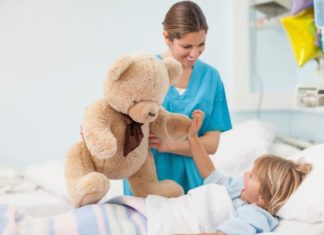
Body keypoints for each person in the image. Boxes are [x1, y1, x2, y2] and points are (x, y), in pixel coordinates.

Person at [123, 0, 232, 195]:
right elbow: (121, 123)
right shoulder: (146, 71)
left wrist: (169, 145)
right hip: (148, 179)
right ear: (167, 37)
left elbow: (211, 145)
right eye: (187, 46)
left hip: (193, 181)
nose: (194, 53)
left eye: (201, 45)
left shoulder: (211, 78)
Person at [174, 110, 313, 235]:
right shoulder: (240, 188)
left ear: (262, 199)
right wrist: (193, 138)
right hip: (174, 209)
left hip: (176, 223)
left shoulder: (256, 214)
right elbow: (209, 172)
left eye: (252, 175)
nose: (245, 174)